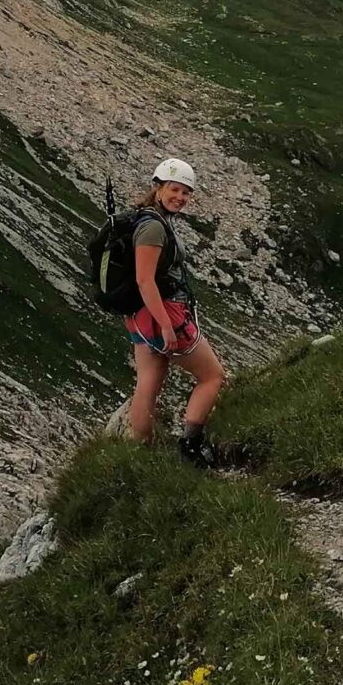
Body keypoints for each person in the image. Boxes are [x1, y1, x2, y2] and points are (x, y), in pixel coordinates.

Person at [121, 158, 225, 464]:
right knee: (212, 377)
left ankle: (142, 451)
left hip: (139, 316)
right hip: (163, 315)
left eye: (186, 192)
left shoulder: (145, 218)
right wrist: (166, 325)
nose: (180, 197)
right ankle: (191, 446)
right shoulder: (153, 227)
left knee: (149, 380)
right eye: (174, 189)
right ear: (158, 187)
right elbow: (145, 279)